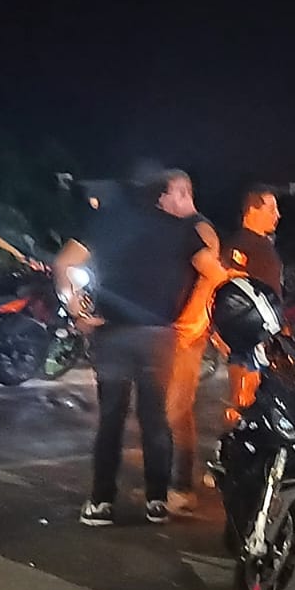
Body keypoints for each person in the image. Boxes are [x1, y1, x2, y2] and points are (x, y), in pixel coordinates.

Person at [52, 169, 224, 526]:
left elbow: (63, 263)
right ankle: (157, 500)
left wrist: (75, 308)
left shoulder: (106, 221)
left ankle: (101, 501)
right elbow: (213, 271)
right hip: (159, 336)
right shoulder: (180, 230)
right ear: (161, 196)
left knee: (111, 419)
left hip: (111, 333)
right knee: (155, 419)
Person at [158, 172, 231, 514]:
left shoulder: (198, 228)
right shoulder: (185, 228)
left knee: (176, 409)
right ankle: (170, 482)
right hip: (173, 331)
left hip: (185, 334)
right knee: (168, 408)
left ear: (181, 193)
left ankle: (181, 487)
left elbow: (213, 275)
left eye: (162, 196)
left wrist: (190, 322)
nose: (158, 203)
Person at [221, 185, 282, 424]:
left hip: (257, 337)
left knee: (252, 402)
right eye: (272, 209)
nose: (278, 215)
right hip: (252, 338)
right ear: (253, 211)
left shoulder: (259, 245)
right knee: (245, 402)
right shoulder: (245, 246)